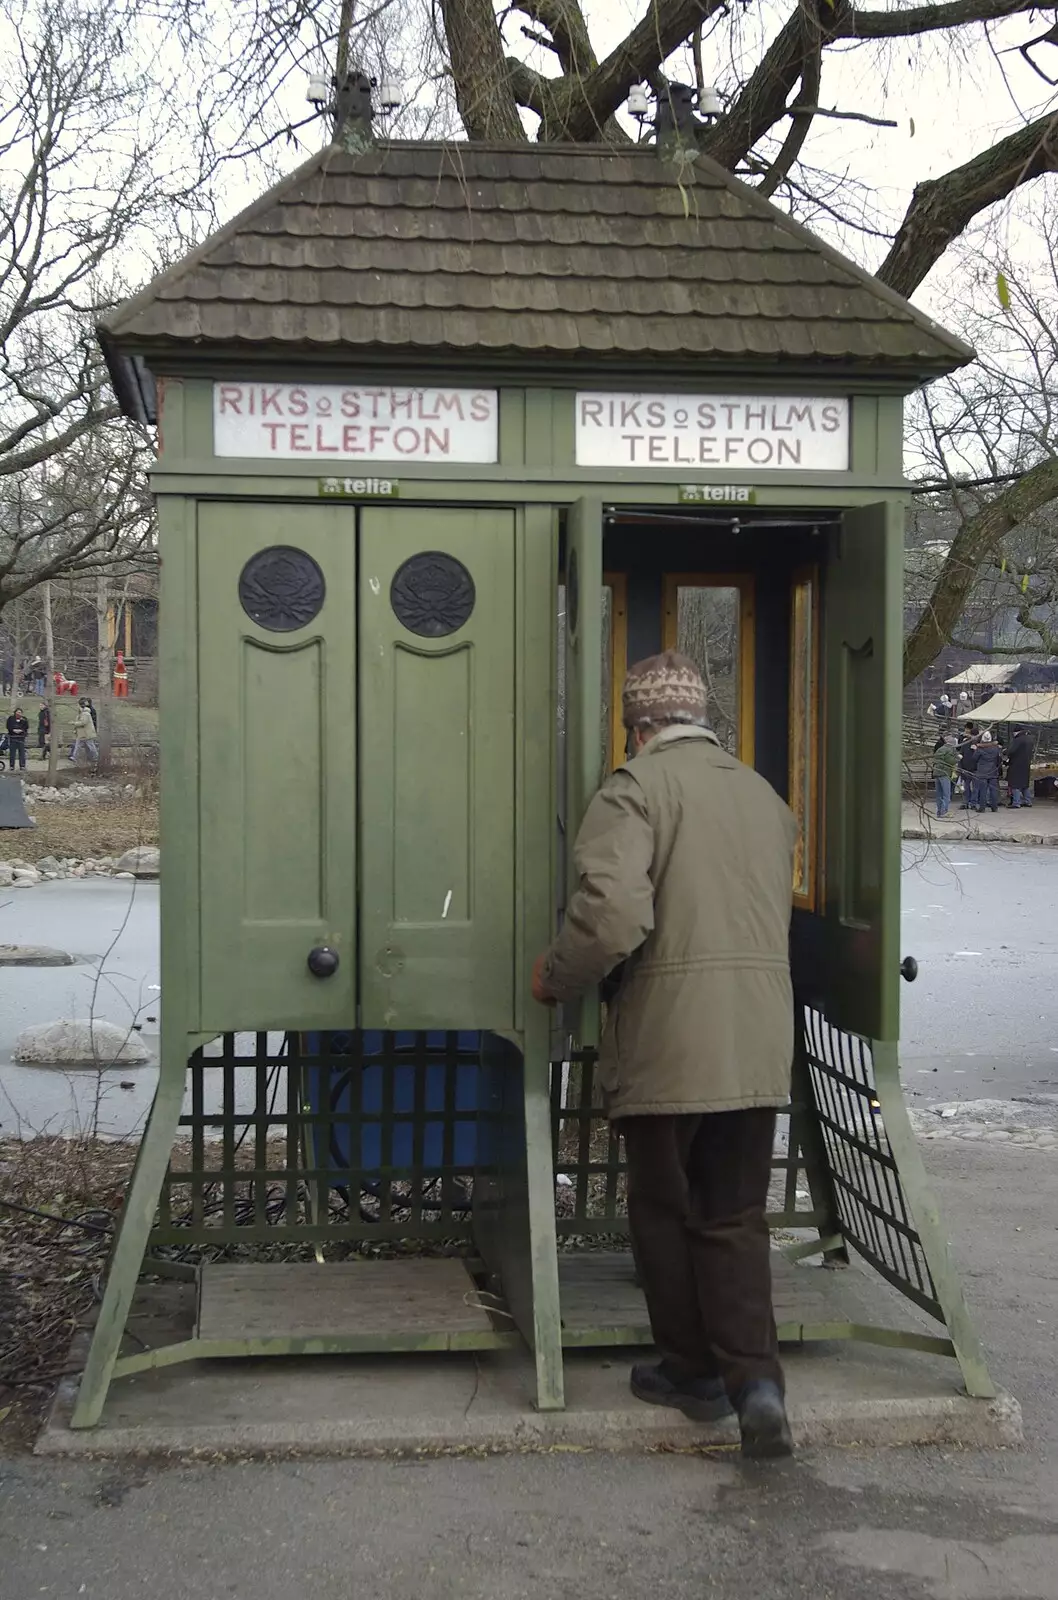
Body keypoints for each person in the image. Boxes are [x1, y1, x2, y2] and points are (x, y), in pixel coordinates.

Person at [531, 651, 797, 1459]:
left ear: (637, 726)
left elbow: (612, 916)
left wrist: (555, 975)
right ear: (701, 721)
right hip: (757, 1034)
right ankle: (757, 1383)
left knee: (662, 1208)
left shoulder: (635, 789)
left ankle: (692, 1373)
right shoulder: (763, 795)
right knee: (734, 1214)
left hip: (672, 1034)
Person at [972, 730, 1002, 812]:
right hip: (993, 770)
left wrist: (975, 750)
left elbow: (974, 758)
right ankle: (994, 807)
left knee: (983, 790)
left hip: (982, 771)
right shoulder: (995, 748)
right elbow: (998, 759)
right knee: (993, 790)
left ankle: (982, 807)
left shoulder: (979, 749)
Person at [1005, 727, 1033, 809]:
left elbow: (1011, 751)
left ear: (1016, 732)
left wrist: (1005, 752)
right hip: (1026, 764)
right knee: (1025, 784)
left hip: (1016, 764)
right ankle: (1028, 801)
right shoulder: (1029, 739)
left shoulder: (1018, 740)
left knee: (1015, 784)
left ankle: (1016, 802)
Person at [933, 734, 958, 816]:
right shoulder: (950, 750)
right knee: (946, 794)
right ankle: (944, 811)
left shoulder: (940, 749)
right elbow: (951, 761)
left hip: (937, 772)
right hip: (944, 773)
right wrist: (958, 758)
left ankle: (939, 812)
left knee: (939, 794)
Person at [957, 724, 980, 808]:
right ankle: (972, 803)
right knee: (974, 787)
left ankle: (966, 802)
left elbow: (961, 755)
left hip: (966, 767)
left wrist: (960, 766)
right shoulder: (979, 744)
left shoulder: (965, 742)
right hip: (975, 768)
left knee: (967, 787)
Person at [70, 700, 98, 766]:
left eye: (77, 705)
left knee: (91, 746)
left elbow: (83, 722)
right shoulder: (81, 713)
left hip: (86, 734)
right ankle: (75, 757)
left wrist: (74, 723)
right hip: (82, 734)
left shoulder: (85, 714)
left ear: (80, 705)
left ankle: (96, 757)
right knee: (78, 745)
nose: (76, 706)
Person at [5, 705, 29, 771]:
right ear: (15, 712)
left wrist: (21, 730)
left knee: (22, 753)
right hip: (13, 737)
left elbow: (26, 727)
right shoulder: (11, 718)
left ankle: (22, 766)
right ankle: (11, 766)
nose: (19, 713)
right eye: (18, 712)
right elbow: (8, 726)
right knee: (12, 753)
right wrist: (13, 730)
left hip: (21, 737)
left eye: (20, 712)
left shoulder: (24, 719)